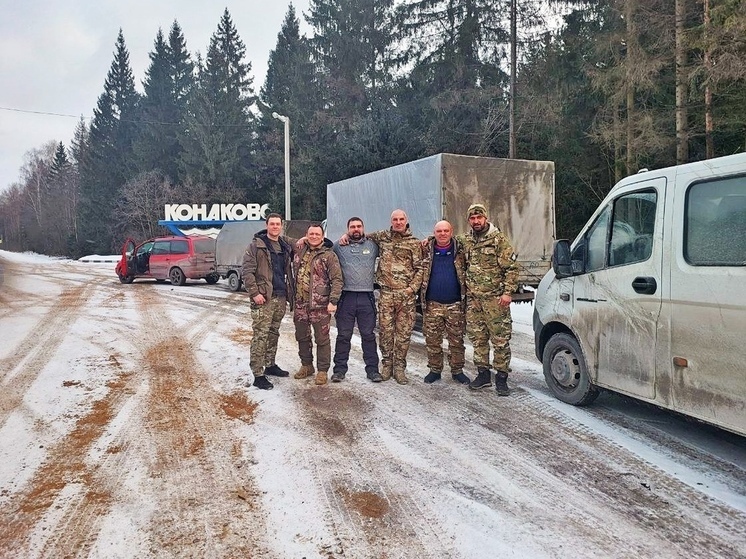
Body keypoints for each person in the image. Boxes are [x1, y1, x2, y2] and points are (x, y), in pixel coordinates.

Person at [462, 204, 519, 396]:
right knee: (478, 339)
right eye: (472, 218)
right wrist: (429, 240)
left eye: (479, 217)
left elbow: (511, 268)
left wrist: (508, 292)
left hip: (496, 301)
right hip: (474, 301)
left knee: (500, 340)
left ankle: (501, 378)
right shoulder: (467, 240)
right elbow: (445, 239)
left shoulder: (498, 240)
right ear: (469, 220)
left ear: (485, 218)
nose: (476, 221)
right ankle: (483, 375)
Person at [365, 209, 424, 385]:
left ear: (407, 221)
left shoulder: (414, 243)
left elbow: (421, 268)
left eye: (401, 219)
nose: (398, 222)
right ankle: (387, 365)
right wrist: (346, 236)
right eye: (395, 219)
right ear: (391, 221)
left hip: (405, 295)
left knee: (404, 333)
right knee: (385, 332)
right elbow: (361, 236)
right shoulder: (383, 237)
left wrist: (411, 289)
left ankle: (399, 368)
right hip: (386, 294)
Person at [241, 213, 295, 390]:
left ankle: (270, 365)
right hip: (263, 298)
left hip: (280, 297)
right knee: (260, 335)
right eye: (272, 224)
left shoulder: (284, 245)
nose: (275, 227)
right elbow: (247, 272)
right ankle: (258, 374)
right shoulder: (256, 246)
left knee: (273, 332)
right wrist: (255, 293)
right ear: (267, 225)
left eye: (278, 224)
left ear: (281, 226)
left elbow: (304, 242)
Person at [291, 223, 343, 385]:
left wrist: (333, 301)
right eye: (311, 234)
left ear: (322, 236)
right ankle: (307, 366)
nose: (314, 237)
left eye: (317, 234)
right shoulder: (299, 249)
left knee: (322, 339)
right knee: (302, 337)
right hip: (300, 304)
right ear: (307, 235)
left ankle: (322, 370)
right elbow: (281, 237)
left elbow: (337, 280)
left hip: (320, 306)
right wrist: (301, 239)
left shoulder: (328, 255)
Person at [420, 220, 470, 385]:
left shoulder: (460, 250)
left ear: (451, 231)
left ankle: (457, 371)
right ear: (434, 233)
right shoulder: (426, 249)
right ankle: (435, 370)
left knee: (456, 341)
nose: (442, 234)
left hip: (455, 304)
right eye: (439, 231)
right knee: (432, 341)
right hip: (432, 304)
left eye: (445, 230)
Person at [332, 217, 382, 383]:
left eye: (358, 226)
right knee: (343, 335)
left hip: (366, 296)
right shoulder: (338, 246)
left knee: (368, 335)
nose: (356, 229)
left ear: (363, 228)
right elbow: (320, 247)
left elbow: (392, 242)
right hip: (346, 297)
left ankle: (373, 370)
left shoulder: (373, 245)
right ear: (347, 229)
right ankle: (339, 370)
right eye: (352, 227)